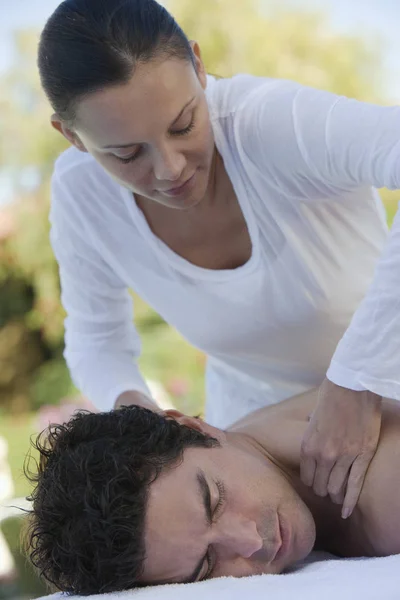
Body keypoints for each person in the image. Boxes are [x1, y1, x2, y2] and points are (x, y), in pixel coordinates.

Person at [39, 0, 400, 520]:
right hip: (252, 450)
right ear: (71, 137)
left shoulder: (268, 122)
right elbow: (96, 343)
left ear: (199, 65)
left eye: (184, 124)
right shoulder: (81, 194)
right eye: (127, 154)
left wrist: (358, 379)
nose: (170, 169)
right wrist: (145, 421)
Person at [24, 389, 400, 595]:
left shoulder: (385, 491)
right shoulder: (237, 442)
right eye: (207, 564)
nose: (252, 543)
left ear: (194, 426)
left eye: (215, 501)